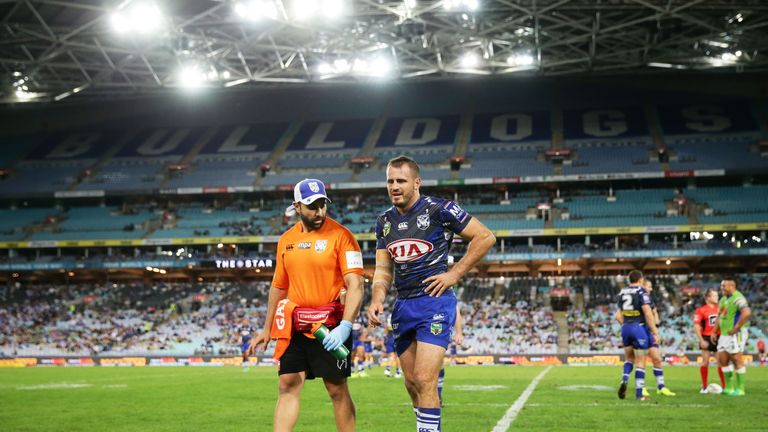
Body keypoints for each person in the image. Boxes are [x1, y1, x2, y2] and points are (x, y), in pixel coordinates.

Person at [367, 156, 495, 432]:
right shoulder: (384, 221)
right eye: (390, 181)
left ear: (416, 183)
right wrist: (377, 297)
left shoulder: (440, 209)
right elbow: (382, 269)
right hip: (402, 305)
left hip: (434, 301)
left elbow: (485, 237)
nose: (394, 186)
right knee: (412, 383)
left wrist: (454, 274)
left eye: (401, 181)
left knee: (425, 379)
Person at [249, 178, 364, 432]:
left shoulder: (343, 236)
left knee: (336, 388)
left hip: (330, 328)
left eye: (323, 204)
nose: (319, 212)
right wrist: (267, 329)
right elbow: (278, 286)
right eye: (312, 206)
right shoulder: (285, 241)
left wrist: (346, 326)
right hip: (296, 325)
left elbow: (356, 284)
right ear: (297, 206)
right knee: (287, 383)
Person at [615, 270, 659, 401]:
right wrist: (654, 331)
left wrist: (626, 325)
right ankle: (639, 394)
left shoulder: (622, 292)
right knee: (640, 360)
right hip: (638, 328)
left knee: (629, 358)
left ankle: (624, 379)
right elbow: (647, 312)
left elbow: (618, 315)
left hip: (626, 328)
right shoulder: (641, 292)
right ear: (640, 280)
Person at [711, 276, 751, 396]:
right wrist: (714, 331)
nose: (721, 287)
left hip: (735, 334)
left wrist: (736, 327)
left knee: (737, 359)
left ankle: (740, 389)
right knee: (722, 360)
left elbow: (747, 312)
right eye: (721, 285)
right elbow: (719, 316)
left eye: (724, 285)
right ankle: (729, 387)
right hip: (724, 335)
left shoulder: (738, 298)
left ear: (732, 286)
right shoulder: (723, 299)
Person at [640, 279, 675, 397]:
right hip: (640, 332)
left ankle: (661, 387)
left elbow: (654, 312)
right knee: (642, 360)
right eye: (649, 287)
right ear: (643, 286)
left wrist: (656, 327)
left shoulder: (649, 299)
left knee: (657, 358)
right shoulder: (637, 298)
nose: (651, 289)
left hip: (650, 332)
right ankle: (641, 387)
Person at [693, 288, 725, 393]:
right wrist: (701, 340)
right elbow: (697, 326)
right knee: (705, 362)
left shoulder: (721, 308)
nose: (717, 297)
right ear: (708, 298)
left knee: (721, 362)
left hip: (719, 337)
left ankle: (725, 387)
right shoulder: (701, 310)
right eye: (715, 296)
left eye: (717, 295)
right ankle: (705, 387)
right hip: (706, 338)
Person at [438, 303, 464, 405]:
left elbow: (454, 306)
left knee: (438, 363)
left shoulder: (444, 290)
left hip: (436, 324)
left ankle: (437, 396)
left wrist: (459, 332)